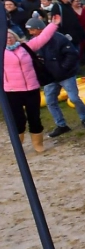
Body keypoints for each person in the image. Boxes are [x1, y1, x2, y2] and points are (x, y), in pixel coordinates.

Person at [4, 18, 55, 154]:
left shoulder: (25, 47)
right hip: (12, 91)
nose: (8, 39)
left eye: (10, 37)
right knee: (18, 120)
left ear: (15, 37)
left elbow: (43, 38)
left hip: (31, 88)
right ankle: (18, 145)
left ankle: (38, 144)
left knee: (35, 117)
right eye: (5, 37)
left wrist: (53, 24)